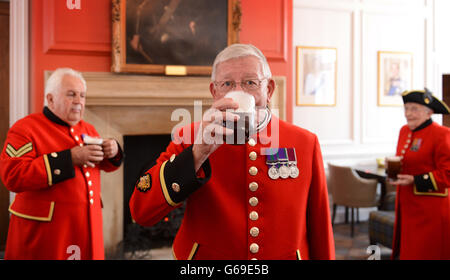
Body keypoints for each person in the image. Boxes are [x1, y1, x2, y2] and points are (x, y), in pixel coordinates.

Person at [129, 44, 335, 260]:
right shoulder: (190, 136)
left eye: (250, 82)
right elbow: (141, 211)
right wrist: (197, 154)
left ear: (269, 90)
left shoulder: (304, 142)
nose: (239, 92)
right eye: (227, 84)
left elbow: (319, 226)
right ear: (214, 92)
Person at [0, 68, 123, 260]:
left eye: (82, 96)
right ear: (50, 99)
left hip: (86, 228)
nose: (79, 101)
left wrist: (113, 151)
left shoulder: (87, 128)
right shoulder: (25, 128)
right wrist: (69, 159)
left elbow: (102, 165)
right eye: (71, 94)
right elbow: (13, 176)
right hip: (46, 235)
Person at [389, 88, 450, 260]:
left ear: (429, 112)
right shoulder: (404, 131)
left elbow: (448, 174)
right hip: (407, 207)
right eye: (406, 108)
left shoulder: (442, 134)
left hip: (431, 212)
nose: (408, 113)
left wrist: (415, 180)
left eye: (414, 109)